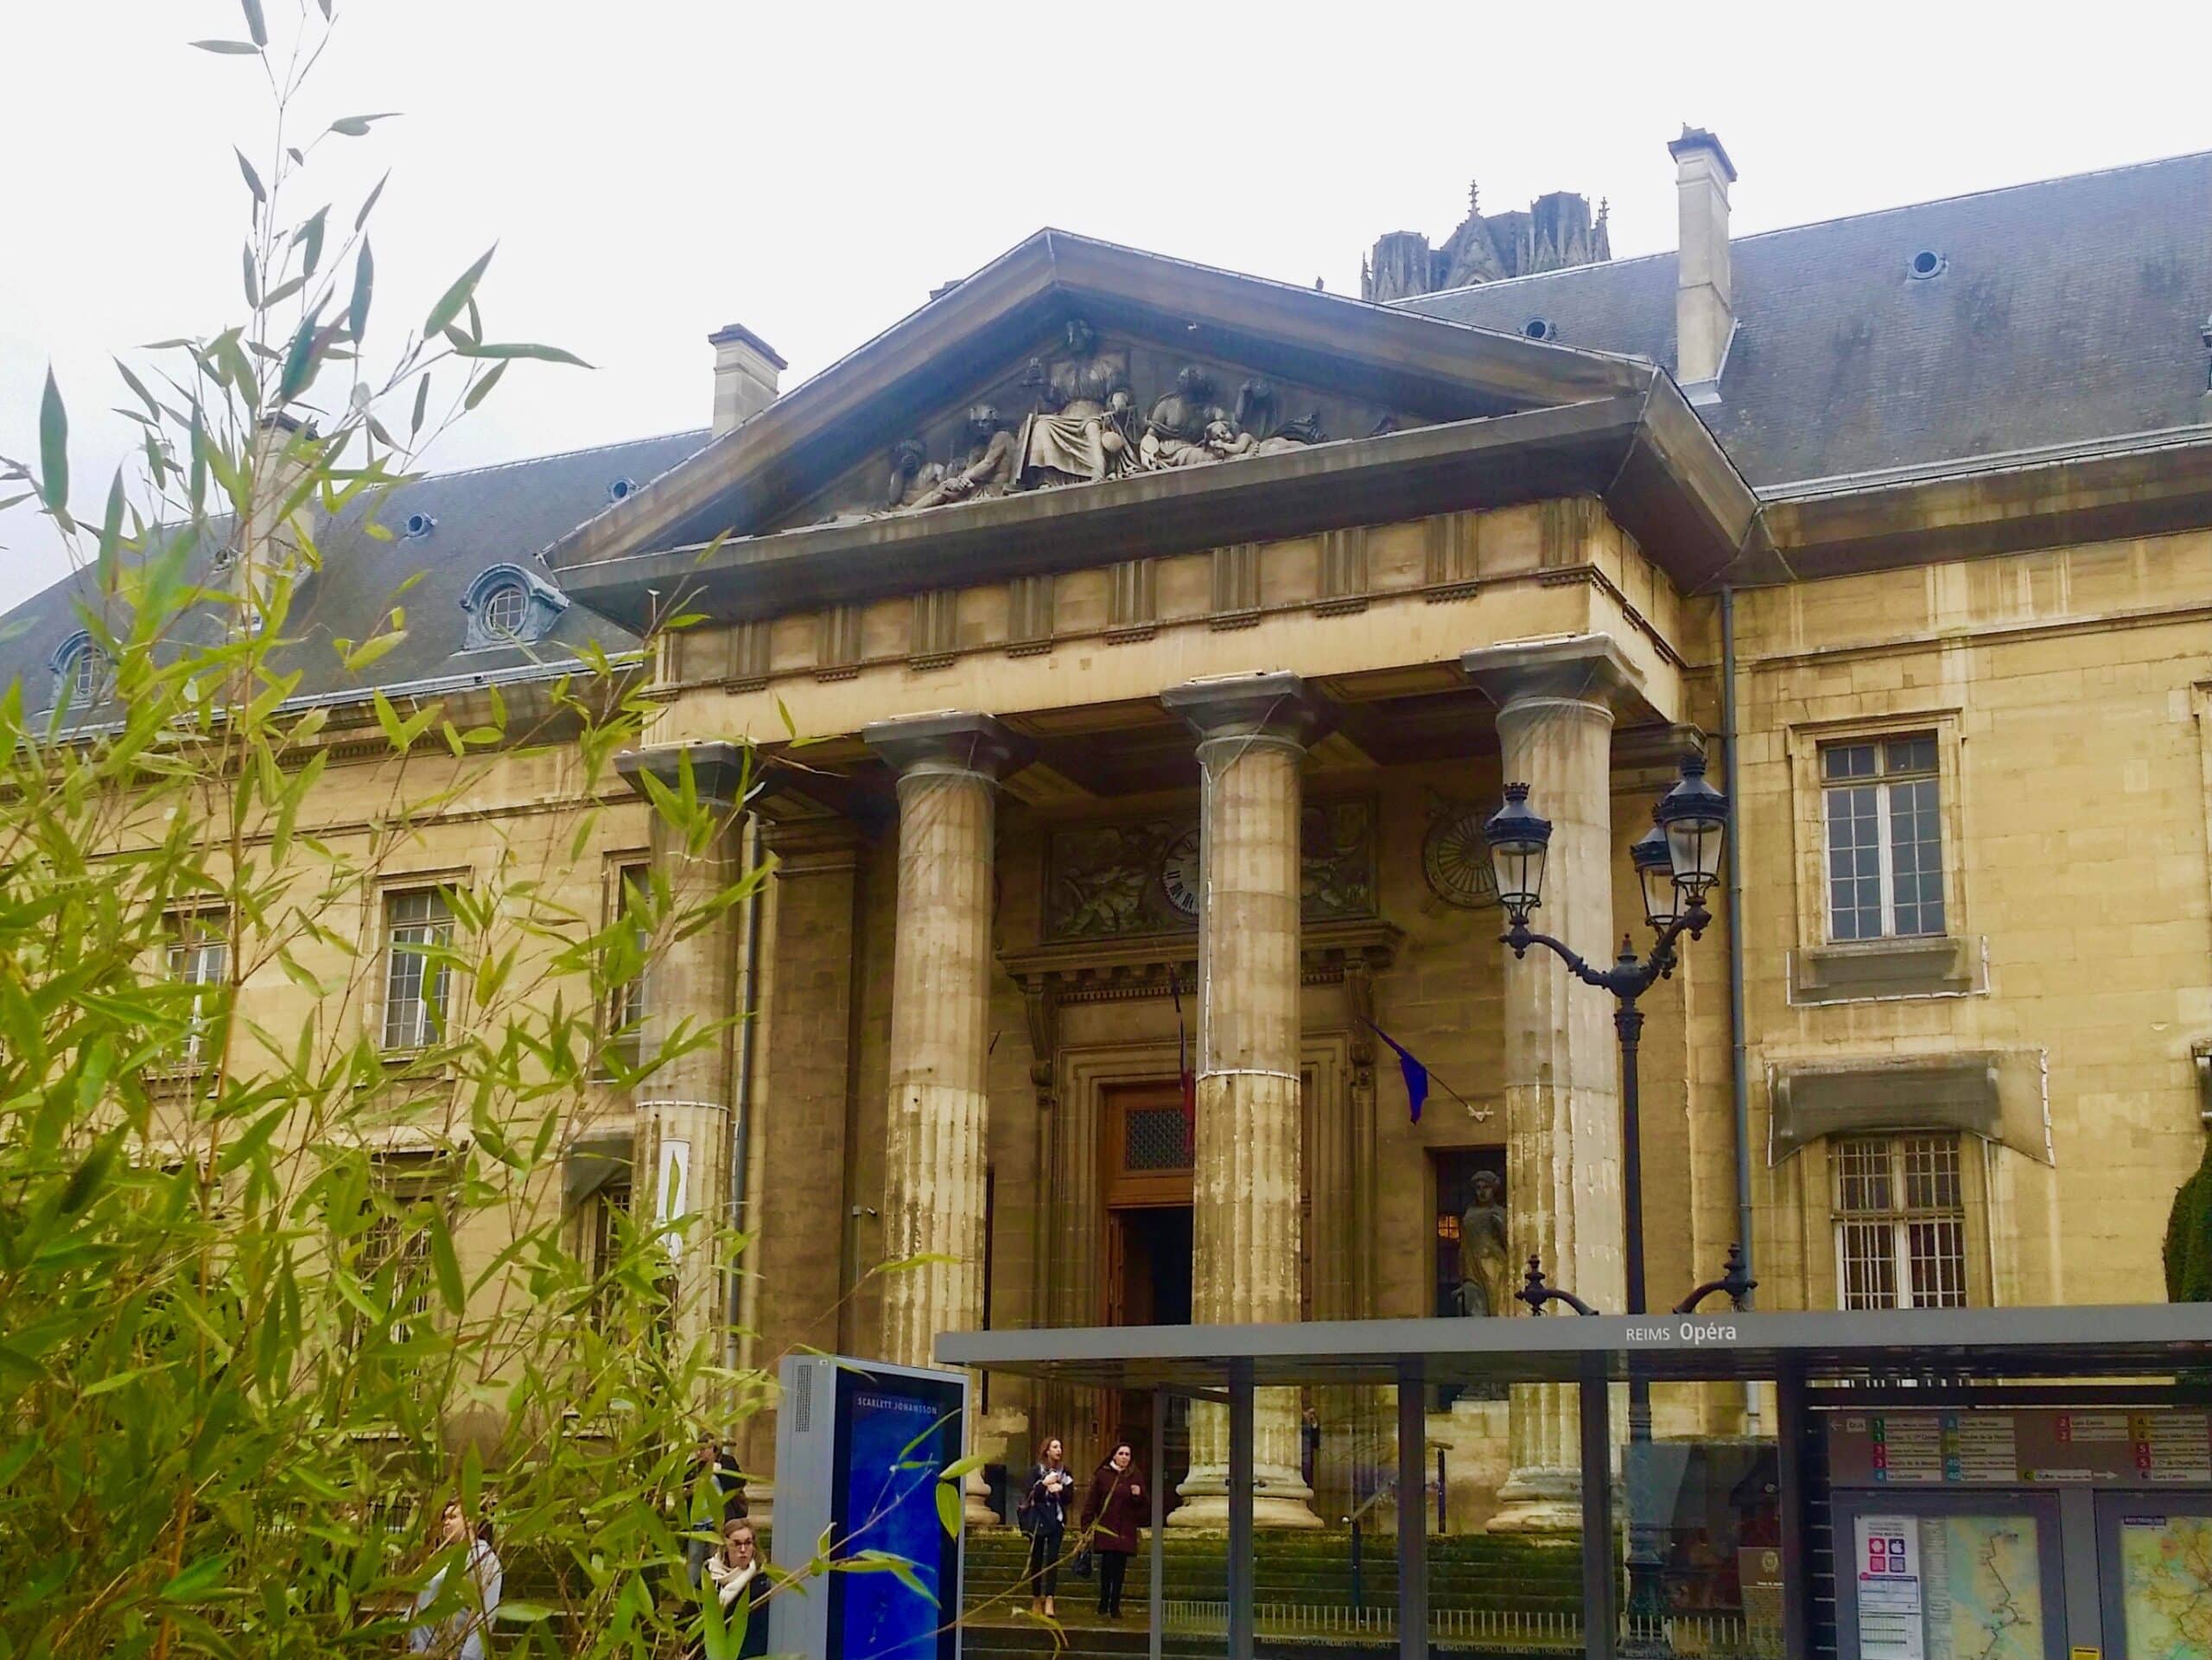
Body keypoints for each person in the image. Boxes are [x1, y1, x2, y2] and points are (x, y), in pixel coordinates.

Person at [408, 1498, 502, 1659]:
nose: (446, 1523)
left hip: (448, 1652)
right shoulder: (444, 1556)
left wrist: (469, 1657)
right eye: (445, 1518)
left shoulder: (484, 1559)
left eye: (453, 1517)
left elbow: (485, 1615)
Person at [1078, 1441, 1146, 1620]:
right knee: (1107, 1566)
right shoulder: (1103, 1475)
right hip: (1106, 1528)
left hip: (1125, 1530)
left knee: (1120, 1568)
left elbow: (1144, 1507)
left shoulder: (1135, 1476)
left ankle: (1115, 1605)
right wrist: (1086, 1526)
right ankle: (1103, 1601)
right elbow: (1092, 1502)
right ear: (1114, 1455)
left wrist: (1137, 1495)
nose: (1124, 1457)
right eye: (1121, 1453)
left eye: (1127, 1454)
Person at [1018, 1435, 1077, 1618]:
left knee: (1052, 1559)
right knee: (1037, 1559)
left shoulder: (1065, 1472)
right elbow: (1030, 1493)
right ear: (1047, 1450)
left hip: (1056, 1521)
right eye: (1055, 1447)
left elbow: (1069, 1498)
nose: (1059, 1450)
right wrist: (1044, 1485)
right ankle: (1036, 1598)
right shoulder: (1036, 1471)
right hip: (1038, 1520)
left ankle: (1050, 1598)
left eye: (1060, 1447)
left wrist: (1061, 1489)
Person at [700, 1518, 768, 1659]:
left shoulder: (761, 1582)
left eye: (748, 1543)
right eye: (736, 1544)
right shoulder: (709, 1575)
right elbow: (690, 1615)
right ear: (725, 1546)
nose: (743, 1550)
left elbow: (760, 1636)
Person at [685, 1435, 746, 1587]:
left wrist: (719, 1470)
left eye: (703, 1449)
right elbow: (683, 1485)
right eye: (698, 1449)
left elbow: (739, 1482)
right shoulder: (694, 1465)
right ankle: (691, 1594)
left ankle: (715, 1589)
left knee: (716, 1558)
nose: (700, 1453)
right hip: (698, 1520)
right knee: (694, 1558)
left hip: (718, 1520)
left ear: (713, 1448)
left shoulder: (726, 1463)